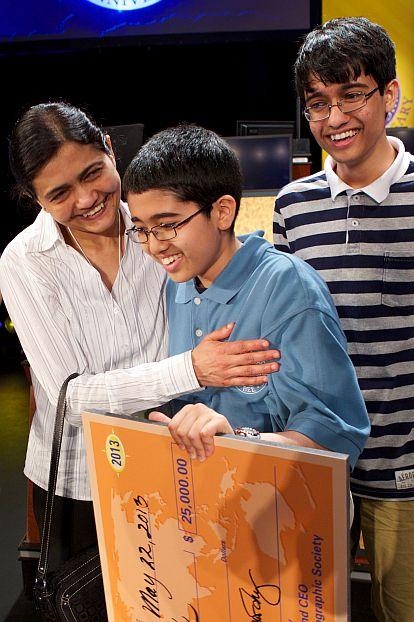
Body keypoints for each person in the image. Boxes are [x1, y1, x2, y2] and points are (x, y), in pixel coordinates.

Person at [273, 17, 414, 622]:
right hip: (317, 460)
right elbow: (287, 337)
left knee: (411, 614)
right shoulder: (292, 206)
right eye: (318, 102)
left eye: (353, 94)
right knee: (311, 610)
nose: (335, 117)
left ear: (390, 95)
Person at [0, 103, 280, 564]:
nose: (87, 198)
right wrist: (190, 369)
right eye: (59, 193)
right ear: (35, 199)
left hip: (178, 463)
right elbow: (70, 399)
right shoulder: (25, 262)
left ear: (110, 150)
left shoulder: (161, 225)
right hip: (81, 480)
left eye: (93, 173)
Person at [122, 124, 370, 469]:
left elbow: (335, 436)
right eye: (141, 229)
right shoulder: (176, 282)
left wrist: (235, 440)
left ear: (222, 212)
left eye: (167, 225)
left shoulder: (288, 288)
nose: (153, 245)